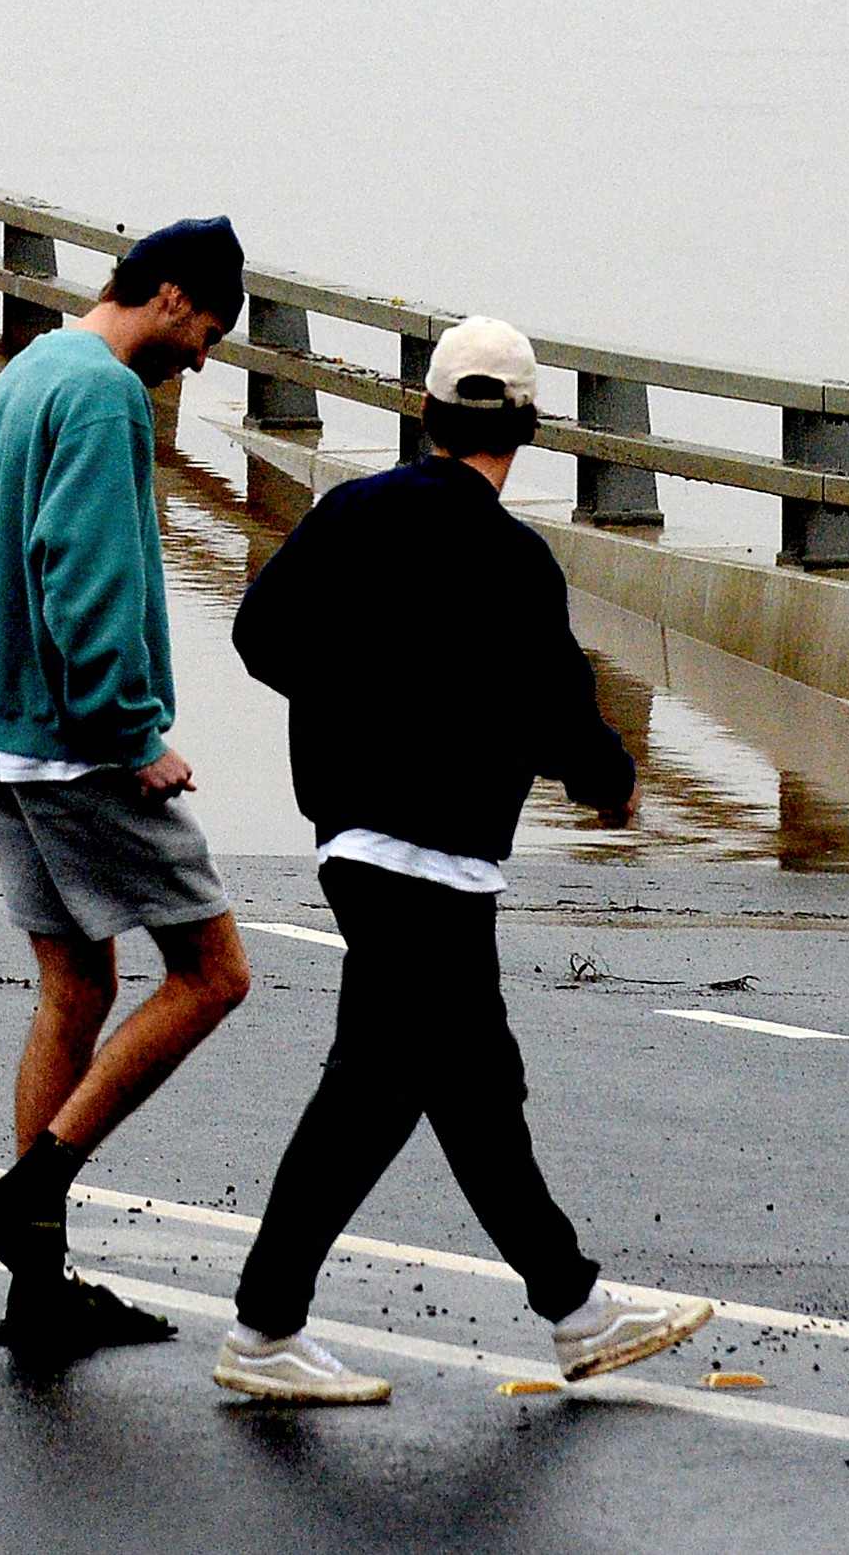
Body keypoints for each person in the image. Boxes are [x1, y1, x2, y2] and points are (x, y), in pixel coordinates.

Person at [208, 315, 715, 1405]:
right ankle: (268, 1327)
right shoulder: (512, 558)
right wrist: (609, 782)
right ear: (525, 427)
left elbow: (260, 636)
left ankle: (570, 1312)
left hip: (352, 838)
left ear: (425, 413)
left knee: (448, 1082)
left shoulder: (349, 514)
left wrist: (353, 704)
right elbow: (558, 706)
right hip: (441, 860)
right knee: (401, 1087)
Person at [0, 214, 261, 1361]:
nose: (205, 356)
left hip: (1, 726)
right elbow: (81, 569)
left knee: (73, 985)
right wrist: (132, 733)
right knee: (212, 973)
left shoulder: (28, 370)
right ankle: (35, 1188)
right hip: (79, 740)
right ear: (170, 296)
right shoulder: (105, 396)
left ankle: (37, 1289)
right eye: (209, 329)